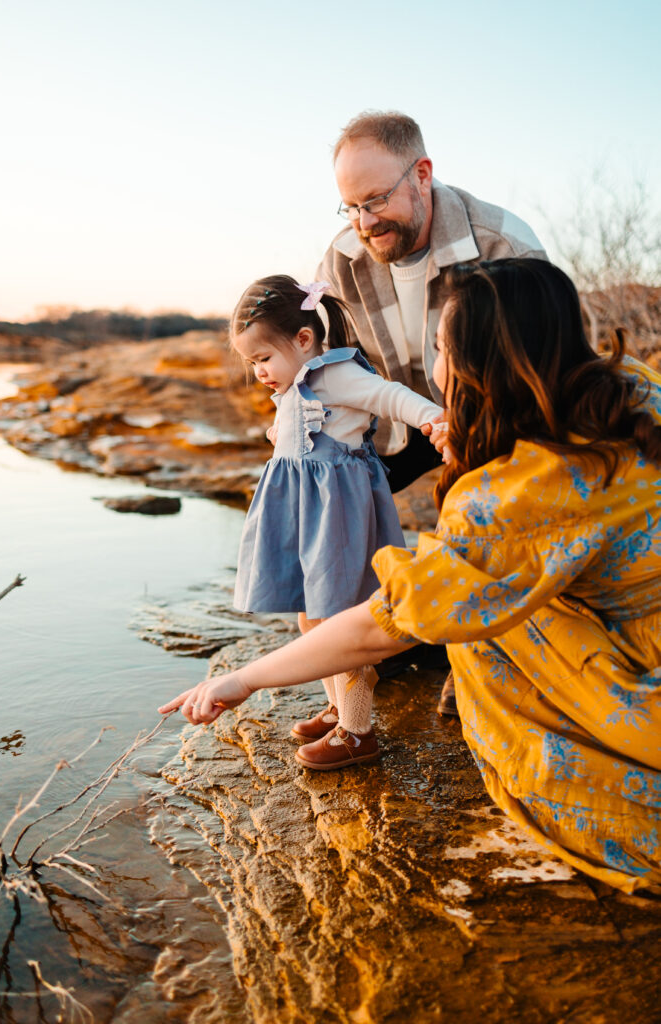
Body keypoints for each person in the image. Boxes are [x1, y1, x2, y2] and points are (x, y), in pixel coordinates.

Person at [160, 259, 661, 893]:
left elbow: (390, 622)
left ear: (484, 362)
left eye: (443, 348)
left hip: (645, 695)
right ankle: (342, 709)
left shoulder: (520, 498)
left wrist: (244, 679)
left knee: (474, 634)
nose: (434, 367)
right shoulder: (633, 388)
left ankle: (380, 731)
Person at [319, 110, 549, 708]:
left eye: (376, 200)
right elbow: (323, 358)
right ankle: (365, 660)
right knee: (323, 493)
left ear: (421, 174)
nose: (364, 223)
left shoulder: (505, 246)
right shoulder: (343, 257)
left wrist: (466, 436)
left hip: (496, 419)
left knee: (484, 505)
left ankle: (480, 653)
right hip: (395, 421)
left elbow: (541, 380)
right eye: (350, 207)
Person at [226, 273, 444, 769]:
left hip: (337, 516)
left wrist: (434, 418)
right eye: (251, 362)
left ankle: (357, 731)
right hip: (304, 513)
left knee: (336, 616)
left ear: (304, 340)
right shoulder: (293, 383)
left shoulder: (336, 375)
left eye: (263, 358)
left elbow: (390, 396)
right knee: (309, 614)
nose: (259, 371)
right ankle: (341, 702)